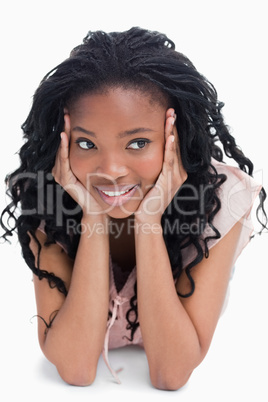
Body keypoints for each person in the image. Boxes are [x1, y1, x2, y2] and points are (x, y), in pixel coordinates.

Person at [1, 27, 267, 390]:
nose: (111, 170)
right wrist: (93, 217)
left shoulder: (219, 200)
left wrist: (148, 221)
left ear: (175, 138)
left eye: (138, 142)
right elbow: (76, 368)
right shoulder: (46, 199)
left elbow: (170, 375)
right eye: (86, 142)